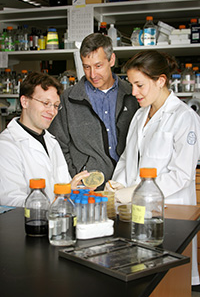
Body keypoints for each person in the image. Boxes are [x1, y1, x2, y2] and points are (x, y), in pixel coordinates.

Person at [107, 50, 200, 286]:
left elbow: (181, 175)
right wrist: (118, 185)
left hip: (172, 214)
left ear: (160, 80)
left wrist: (135, 192)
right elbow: (128, 158)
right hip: (137, 212)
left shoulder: (184, 117)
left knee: (169, 280)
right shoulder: (140, 115)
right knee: (143, 277)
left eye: (140, 85)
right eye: (131, 85)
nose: (134, 92)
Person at [49, 33, 139, 190]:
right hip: (88, 190)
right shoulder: (68, 98)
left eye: (98, 66)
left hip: (127, 186)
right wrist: (77, 174)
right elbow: (57, 145)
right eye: (86, 67)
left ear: (111, 60)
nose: (92, 74)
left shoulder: (133, 95)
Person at [0, 72, 91, 207]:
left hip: (56, 221)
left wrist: (77, 190)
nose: (52, 111)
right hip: (25, 226)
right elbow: (11, 201)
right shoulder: (6, 146)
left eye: (55, 105)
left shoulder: (51, 141)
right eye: (46, 103)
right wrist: (60, 198)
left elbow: (63, 185)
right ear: (25, 102)